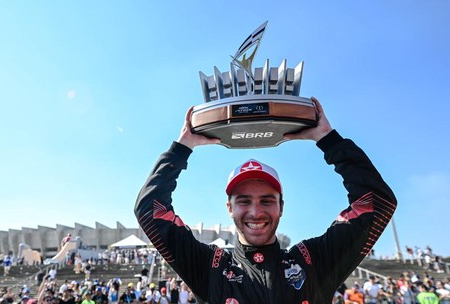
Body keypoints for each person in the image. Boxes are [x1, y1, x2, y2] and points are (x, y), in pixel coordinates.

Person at [134, 97, 398, 303]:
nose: (255, 211)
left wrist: (328, 140)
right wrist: (182, 148)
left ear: (282, 206)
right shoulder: (209, 267)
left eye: (267, 200)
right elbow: (149, 209)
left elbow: (377, 201)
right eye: (244, 201)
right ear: (229, 208)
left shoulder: (313, 261)